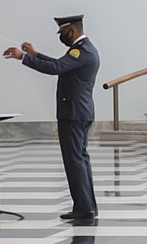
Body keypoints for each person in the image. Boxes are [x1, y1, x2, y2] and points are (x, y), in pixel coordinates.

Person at [10, 15, 100, 223]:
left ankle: (84, 207)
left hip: (74, 113)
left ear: (73, 30)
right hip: (79, 112)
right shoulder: (85, 50)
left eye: (64, 33)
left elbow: (56, 68)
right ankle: (87, 206)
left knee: (75, 160)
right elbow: (60, 64)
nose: (62, 37)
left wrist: (23, 58)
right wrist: (35, 54)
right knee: (80, 159)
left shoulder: (82, 51)